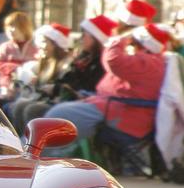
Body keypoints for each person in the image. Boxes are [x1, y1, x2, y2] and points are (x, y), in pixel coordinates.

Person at [45, 24, 170, 165]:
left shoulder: (147, 62)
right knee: (56, 113)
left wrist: (121, 40)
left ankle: (42, 161)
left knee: (59, 116)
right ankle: (44, 158)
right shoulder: (146, 60)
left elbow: (113, 60)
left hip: (123, 115)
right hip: (113, 107)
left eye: (133, 41)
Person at [6, 23, 72, 131]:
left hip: (56, 101)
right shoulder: (45, 62)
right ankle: (20, 139)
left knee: (31, 109)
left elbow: (62, 87)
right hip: (42, 98)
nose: (41, 46)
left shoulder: (64, 65)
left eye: (44, 42)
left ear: (55, 44)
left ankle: (34, 141)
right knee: (19, 105)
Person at [0, 12, 38, 101]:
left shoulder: (34, 47)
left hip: (28, 87)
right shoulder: (5, 47)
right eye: (7, 27)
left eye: (13, 27)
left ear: (24, 28)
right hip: (8, 86)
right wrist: (15, 68)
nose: (10, 30)